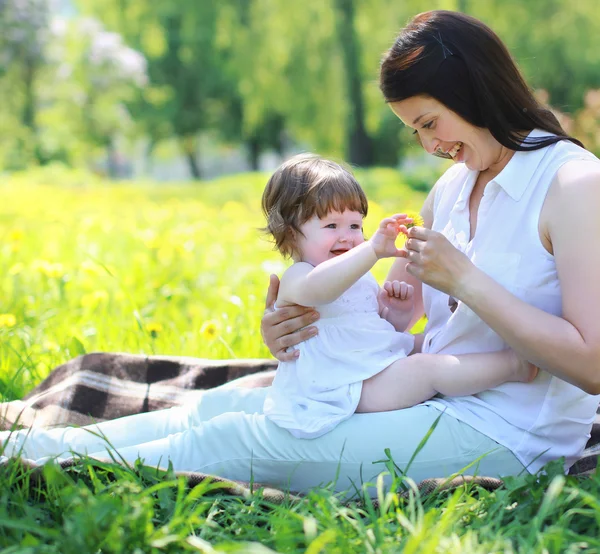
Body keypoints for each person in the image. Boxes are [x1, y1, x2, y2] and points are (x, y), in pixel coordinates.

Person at [2, 10, 599, 497]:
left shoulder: (574, 186)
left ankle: (42, 462)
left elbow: (592, 366)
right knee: (225, 406)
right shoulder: (453, 186)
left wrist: (465, 281)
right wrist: (297, 326)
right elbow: (418, 329)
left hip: (513, 430)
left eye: (430, 122)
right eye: (415, 130)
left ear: (473, 91)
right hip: (435, 390)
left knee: (240, 441)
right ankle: (35, 444)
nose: (428, 145)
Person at [261, 153, 535, 439]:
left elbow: (374, 328)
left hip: (369, 363)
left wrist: (395, 313)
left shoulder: (356, 274)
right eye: (331, 226)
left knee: (433, 342)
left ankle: (493, 359)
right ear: (291, 235)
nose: (347, 237)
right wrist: (372, 250)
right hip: (345, 387)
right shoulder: (299, 277)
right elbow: (321, 289)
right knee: (425, 369)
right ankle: (515, 365)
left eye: (355, 226)